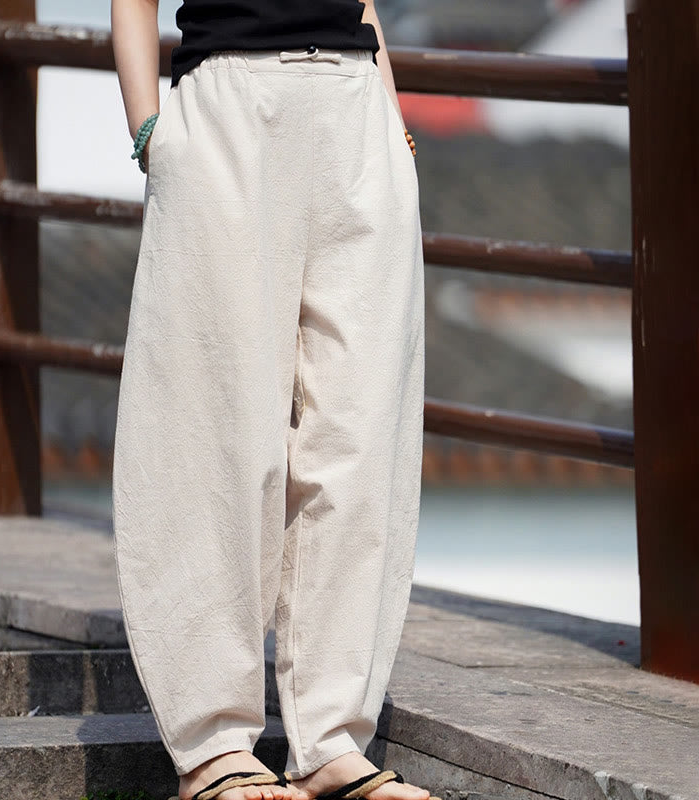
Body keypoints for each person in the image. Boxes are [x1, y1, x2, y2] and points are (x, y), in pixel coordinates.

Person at [110, 2, 431, 800]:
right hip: (230, 103)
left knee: (358, 436)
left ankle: (332, 741)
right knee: (213, 432)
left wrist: (392, 122)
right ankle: (212, 745)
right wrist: (150, 132)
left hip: (355, 104)